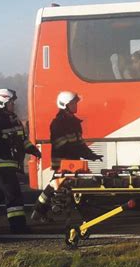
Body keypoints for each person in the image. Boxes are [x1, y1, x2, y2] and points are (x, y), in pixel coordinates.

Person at [31, 91, 103, 222]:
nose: (76, 105)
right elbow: (62, 144)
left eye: (75, 103)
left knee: (56, 185)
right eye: (73, 103)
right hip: (63, 161)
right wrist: (81, 152)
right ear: (65, 105)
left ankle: (39, 211)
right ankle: (44, 211)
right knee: (58, 185)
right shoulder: (58, 123)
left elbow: (79, 143)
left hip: (72, 161)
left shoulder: (74, 122)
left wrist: (91, 155)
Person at [0, 89, 41, 233]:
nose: (13, 104)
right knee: (14, 195)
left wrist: (33, 150)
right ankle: (17, 226)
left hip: (12, 164)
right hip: (1, 164)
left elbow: (22, 140)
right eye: (11, 102)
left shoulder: (14, 120)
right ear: (2, 103)